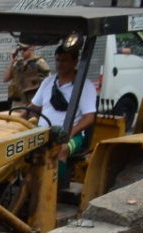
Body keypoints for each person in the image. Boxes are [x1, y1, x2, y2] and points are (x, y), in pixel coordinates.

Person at [27, 44, 97, 178]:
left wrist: (70, 132)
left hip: (71, 134)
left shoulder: (84, 86)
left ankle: (54, 191)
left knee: (62, 150)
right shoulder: (48, 82)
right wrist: (14, 121)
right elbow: (33, 107)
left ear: (75, 62)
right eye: (58, 60)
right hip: (43, 131)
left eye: (64, 60)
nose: (60, 64)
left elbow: (89, 118)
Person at [3, 39, 50, 107]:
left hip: (32, 103)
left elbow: (48, 82)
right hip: (17, 103)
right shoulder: (18, 64)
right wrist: (12, 61)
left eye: (24, 49)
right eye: (20, 49)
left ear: (32, 47)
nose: (22, 52)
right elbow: (5, 79)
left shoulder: (39, 62)